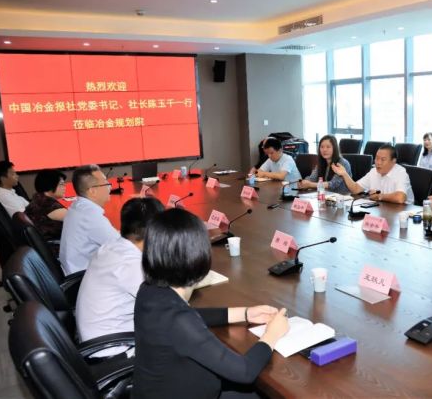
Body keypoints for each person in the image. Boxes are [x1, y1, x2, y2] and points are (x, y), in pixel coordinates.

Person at [133, 208, 289, 398]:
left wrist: (245, 313)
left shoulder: (149, 291)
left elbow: (192, 318)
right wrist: (272, 334)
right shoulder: (179, 320)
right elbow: (244, 371)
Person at [75, 197, 165, 357]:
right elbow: (167, 305)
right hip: (113, 353)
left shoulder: (112, 246)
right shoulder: (131, 265)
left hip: (97, 339)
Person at [59, 164, 120, 275]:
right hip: (83, 276)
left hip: (76, 269)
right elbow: (122, 246)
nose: (110, 187)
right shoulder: (90, 216)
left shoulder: (78, 206)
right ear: (92, 191)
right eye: (106, 183)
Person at [333, 143, 412, 204]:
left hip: (404, 212)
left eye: (383, 159)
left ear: (393, 161)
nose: (378, 162)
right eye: (377, 158)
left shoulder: (401, 173)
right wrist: (344, 174)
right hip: (383, 208)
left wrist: (379, 196)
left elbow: (400, 198)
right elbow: (356, 189)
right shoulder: (373, 171)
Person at [24, 169, 67, 241]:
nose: (65, 186)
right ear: (50, 186)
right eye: (61, 184)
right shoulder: (49, 206)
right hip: (55, 244)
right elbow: (80, 220)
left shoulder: (38, 198)